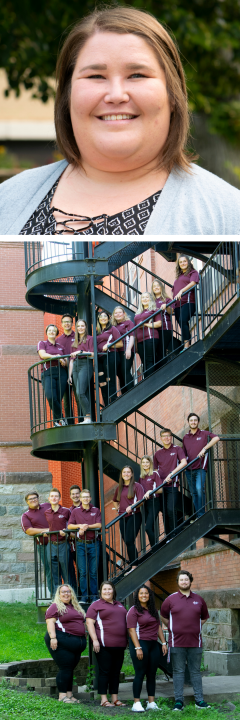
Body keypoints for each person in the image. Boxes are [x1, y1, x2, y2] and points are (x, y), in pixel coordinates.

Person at [1, 7, 239, 236]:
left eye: (137, 75)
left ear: (173, 95)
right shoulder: (8, 199)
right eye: (96, 76)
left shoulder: (229, 217)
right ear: (67, 95)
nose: (116, 95)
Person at [161, 570, 210, 711]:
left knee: (195, 672)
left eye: (186, 580)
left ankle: (199, 700)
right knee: (178, 672)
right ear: (178, 582)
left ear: (190, 581)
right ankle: (178, 701)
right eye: (181, 580)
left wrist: (196, 626)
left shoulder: (199, 599)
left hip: (195, 642)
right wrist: (172, 626)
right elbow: (163, 615)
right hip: (176, 643)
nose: (184, 582)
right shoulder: (170, 600)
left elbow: (205, 616)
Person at [86, 581, 127, 707]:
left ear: (113, 591)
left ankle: (115, 698)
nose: (107, 591)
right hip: (104, 645)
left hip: (120, 645)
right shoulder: (96, 605)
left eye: (109, 589)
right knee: (105, 672)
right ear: (100, 591)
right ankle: (104, 699)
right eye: (104, 589)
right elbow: (89, 623)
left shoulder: (120, 605)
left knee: (116, 672)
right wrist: (95, 640)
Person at [127, 584, 167, 712]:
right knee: (140, 673)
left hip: (153, 644)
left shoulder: (153, 610)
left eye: (146, 593)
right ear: (137, 596)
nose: (144, 595)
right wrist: (138, 648)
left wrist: (164, 643)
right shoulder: (133, 610)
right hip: (140, 643)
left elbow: (158, 627)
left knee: (152, 674)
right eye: (141, 593)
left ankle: (151, 703)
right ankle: (136, 703)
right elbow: (132, 630)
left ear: (149, 595)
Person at [45, 583, 86, 703]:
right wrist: (53, 638)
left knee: (70, 669)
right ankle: (62, 696)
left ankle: (69, 695)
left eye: (68, 591)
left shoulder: (75, 606)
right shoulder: (55, 606)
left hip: (76, 643)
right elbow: (50, 622)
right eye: (63, 592)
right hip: (62, 640)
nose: (66, 594)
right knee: (65, 668)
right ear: (59, 594)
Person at [183, 414, 220, 519]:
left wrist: (204, 448)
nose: (193, 422)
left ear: (198, 422)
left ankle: (201, 514)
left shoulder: (204, 433)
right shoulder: (185, 437)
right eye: (191, 420)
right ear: (188, 422)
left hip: (200, 467)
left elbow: (216, 438)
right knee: (194, 493)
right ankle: (199, 514)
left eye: (195, 420)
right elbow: (184, 454)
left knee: (199, 488)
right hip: (189, 469)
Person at [68, 489, 102, 603]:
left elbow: (99, 525)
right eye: (84, 497)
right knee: (82, 571)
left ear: (90, 498)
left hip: (94, 544)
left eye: (88, 497)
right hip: (81, 544)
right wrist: (80, 526)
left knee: (93, 571)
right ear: (81, 499)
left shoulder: (96, 510)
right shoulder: (75, 512)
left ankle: (94, 596)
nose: (86, 499)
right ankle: (84, 596)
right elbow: (70, 526)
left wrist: (86, 526)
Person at [153, 429, 187, 539]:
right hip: (161, 488)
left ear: (171, 437)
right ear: (161, 438)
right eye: (164, 436)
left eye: (168, 436)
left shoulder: (177, 449)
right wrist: (158, 482)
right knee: (164, 512)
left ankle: (174, 535)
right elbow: (154, 471)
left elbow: (184, 462)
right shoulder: (157, 454)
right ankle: (168, 536)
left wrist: (172, 474)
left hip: (173, 485)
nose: (166, 438)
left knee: (171, 509)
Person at [112, 466, 144, 568]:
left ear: (131, 474)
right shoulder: (119, 488)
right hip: (122, 517)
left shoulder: (137, 486)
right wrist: (118, 509)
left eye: (128, 472)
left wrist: (132, 506)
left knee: (129, 540)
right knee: (126, 541)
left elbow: (141, 501)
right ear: (121, 474)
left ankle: (134, 565)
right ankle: (133, 562)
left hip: (134, 515)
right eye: (124, 472)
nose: (126, 474)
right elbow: (115, 500)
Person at [37, 324, 68, 427]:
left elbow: (66, 360)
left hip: (61, 373)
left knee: (58, 398)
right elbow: (43, 355)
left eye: (53, 330)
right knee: (51, 397)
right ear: (46, 332)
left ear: (56, 333)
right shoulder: (42, 343)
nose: (51, 332)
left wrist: (64, 360)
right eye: (49, 330)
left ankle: (56, 422)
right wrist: (57, 357)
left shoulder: (61, 347)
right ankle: (62, 418)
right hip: (48, 372)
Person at [21, 491, 51, 593]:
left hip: (60, 543)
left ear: (38, 498)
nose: (33, 500)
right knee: (50, 571)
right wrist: (46, 530)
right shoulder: (26, 515)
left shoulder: (48, 505)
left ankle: (71, 595)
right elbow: (28, 530)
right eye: (30, 499)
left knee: (65, 570)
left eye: (35, 497)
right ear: (27, 502)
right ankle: (54, 596)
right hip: (44, 546)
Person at [45, 488, 72, 593]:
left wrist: (67, 531)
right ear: (49, 499)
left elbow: (72, 524)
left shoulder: (66, 511)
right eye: (52, 496)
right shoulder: (46, 512)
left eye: (56, 496)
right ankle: (56, 598)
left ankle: (69, 596)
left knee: (66, 572)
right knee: (53, 572)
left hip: (63, 544)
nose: (54, 498)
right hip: (51, 545)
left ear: (60, 498)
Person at [69, 318, 94, 423]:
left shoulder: (90, 338)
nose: (80, 328)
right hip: (75, 366)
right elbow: (71, 360)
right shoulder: (74, 342)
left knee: (80, 392)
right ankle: (85, 418)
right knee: (77, 394)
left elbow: (93, 355)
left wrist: (81, 351)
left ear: (86, 327)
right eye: (78, 326)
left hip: (85, 364)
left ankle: (88, 417)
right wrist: (69, 375)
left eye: (82, 326)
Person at [172, 256, 200, 350]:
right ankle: (187, 343)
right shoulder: (178, 277)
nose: (183, 263)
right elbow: (174, 292)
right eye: (180, 262)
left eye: (184, 261)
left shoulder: (193, 272)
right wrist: (172, 305)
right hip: (177, 304)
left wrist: (181, 291)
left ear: (188, 262)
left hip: (188, 301)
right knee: (181, 322)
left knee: (183, 320)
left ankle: (186, 346)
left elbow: (193, 283)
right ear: (179, 265)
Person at [96, 311, 123, 405]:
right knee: (102, 383)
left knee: (110, 379)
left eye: (105, 316)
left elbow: (120, 343)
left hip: (111, 355)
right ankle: (107, 405)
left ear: (108, 319)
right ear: (98, 319)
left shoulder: (112, 329)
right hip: (99, 358)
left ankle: (114, 401)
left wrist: (109, 345)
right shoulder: (96, 332)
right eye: (101, 316)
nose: (103, 318)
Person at [134, 293, 161, 378]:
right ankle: (147, 382)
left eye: (147, 297)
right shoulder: (138, 312)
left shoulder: (154, 310)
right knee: (144, 362)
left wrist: (145, 325)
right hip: (139, 340)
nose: (145, 299)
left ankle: (150, 382)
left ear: (150, 299)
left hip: (150, 337)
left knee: (149, 360)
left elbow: (159, 323)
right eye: (143, 297)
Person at [139, 456, 162, 549]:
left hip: (154, 502)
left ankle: (155, 549)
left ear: (150, 463)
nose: (145, 464)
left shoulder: (155, 474)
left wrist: (150, 491)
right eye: (143, 462)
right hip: (145, 504)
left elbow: (161, 490)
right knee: (150, 527)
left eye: (147, 462)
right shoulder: (141, 477)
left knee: (147, 527)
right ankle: (155, 547)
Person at [111, 306, 135, 393]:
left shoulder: (128, 323)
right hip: (117, 352)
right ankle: (124, 394)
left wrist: (128, 349)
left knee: (125, 370)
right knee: (120, 374)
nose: (118, 314)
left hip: (126, 350)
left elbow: (132, 337)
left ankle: (132, 392)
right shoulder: (113, 326)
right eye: (115, 313)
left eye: (119, 312)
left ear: (124, 314)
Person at [58, 314, 75, 425]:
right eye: (65, 322)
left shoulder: (78, 335)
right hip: (64, 370)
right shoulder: (58, 339)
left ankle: (84, 420)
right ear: (62, 324)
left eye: (69, 321)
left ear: (72, 323)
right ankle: (70, 422)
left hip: (78, 368)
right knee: (67, 399)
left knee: (80, 395)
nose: (67, 323)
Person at [151, 280, 175, 359]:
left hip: (165, 328)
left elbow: (171, 311)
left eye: (158, 285)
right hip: (154, 330)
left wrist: (166, 306)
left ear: (161, 287)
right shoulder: (151, 301)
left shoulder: (167, 299)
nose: (156, 287)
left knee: (161, 351)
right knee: (155, 352)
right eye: (154, 286)